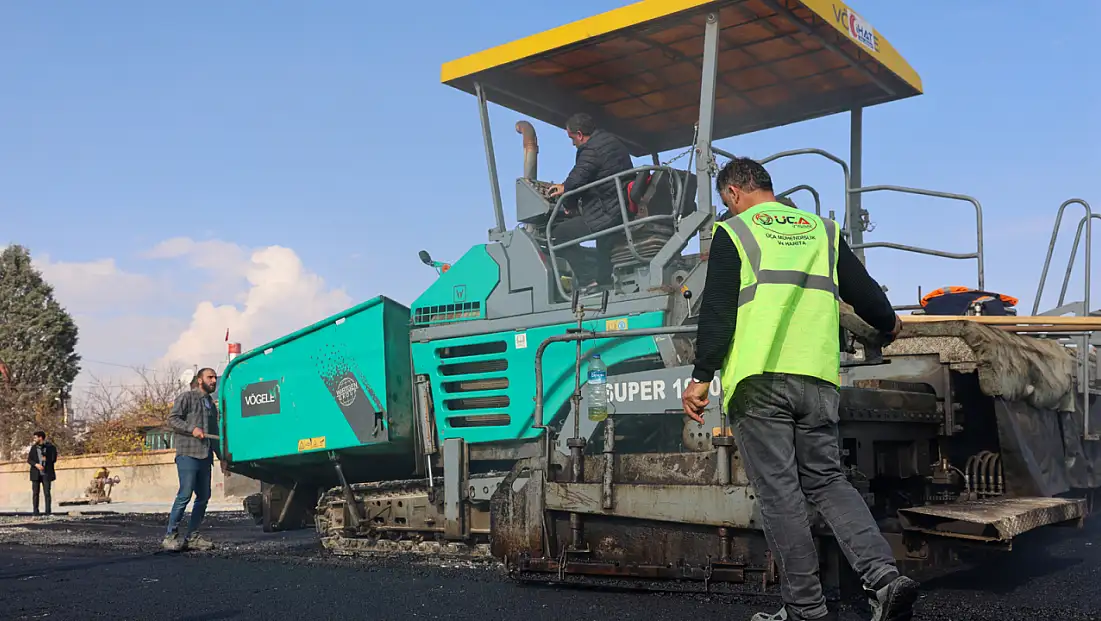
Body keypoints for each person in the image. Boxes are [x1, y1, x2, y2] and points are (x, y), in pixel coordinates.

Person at [681, 157, 917, 621]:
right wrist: (889, 324)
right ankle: (885, 580)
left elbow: (718, 313)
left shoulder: (736, 231)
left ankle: (806, 609)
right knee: (828, 481)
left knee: (781, 495)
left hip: (760, 378)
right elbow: (864, 290)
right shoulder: (822, 230)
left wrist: (700, 378)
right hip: (817, 379)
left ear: (732, 193)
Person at [547, 112, 634, 291]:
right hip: (621, 204)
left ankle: (586, 280)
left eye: (572, 138)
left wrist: (569, 204)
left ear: (579, 134)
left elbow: (577, 179)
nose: (573, 143)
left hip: (608, 209)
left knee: (560, 234)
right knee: (602, 238)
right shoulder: (611, 141)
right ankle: (603, 280)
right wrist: (567, 187)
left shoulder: (591, 149)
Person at [163, 367, 227, 551]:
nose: (214, 381)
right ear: (200, 380)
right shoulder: (186, 397)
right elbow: (173, 419)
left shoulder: (210, 404)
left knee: (204, 496)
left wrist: (221, 458)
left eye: (215, 378)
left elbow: (214, 433)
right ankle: (170, 536)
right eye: (210, 377)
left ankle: (192, 536)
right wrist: (192, 429)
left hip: (205, 456)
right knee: (185, 494)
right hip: (188, 454)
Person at [27, 431, 57, 516]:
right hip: (36, 473)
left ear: (40, 438)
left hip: (46, 473)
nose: (34, 439)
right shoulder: (33, 448)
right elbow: (29, 460)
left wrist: (46, 458)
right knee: (35, 493)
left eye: (35, 437)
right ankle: (35, 511)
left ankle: (48, 511)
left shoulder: (51, 447)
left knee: (47, 493)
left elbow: (54, 459)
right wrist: (36, 465)